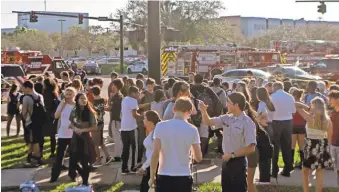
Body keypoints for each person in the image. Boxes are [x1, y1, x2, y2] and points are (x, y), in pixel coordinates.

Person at [200, 92, 256, 191]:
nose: (227, 104)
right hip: (226, 161)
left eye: (229, 102)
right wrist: (204, 111)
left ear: (236, 105)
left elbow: (251, 148)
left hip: (238, 162)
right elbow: (208, 122)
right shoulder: (226, 118)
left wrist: (232, 155)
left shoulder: (247, 122)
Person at [149, 98, 202, 192]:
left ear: (173, 109)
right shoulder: (192, 129)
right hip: (183, 175)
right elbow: (198, 157)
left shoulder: (160, 126)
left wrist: (152, 176)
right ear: (189, 112)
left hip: (163, 174)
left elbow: (155, 153)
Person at [295, 97, 333, 192]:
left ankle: (306, 190)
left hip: (310, 145)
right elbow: (329, 138)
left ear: (314, 106)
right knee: (319, 172)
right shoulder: (328, 120)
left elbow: (295, 104)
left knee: (305, 171)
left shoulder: (309, 117)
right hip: (322, 145)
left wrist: (308, 108)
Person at [68, 93, 97, 185]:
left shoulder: (90, 112)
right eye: (81, 98)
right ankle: (83, 174)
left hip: (85, 140)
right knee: (72, 161)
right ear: (77, 100)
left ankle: (85, 182)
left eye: (85, 99)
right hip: (75, 139)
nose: (84, 100)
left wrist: (83, 130)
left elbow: (94, 127)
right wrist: (75, 129)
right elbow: (71, 124)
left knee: (85, 163)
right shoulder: (74, 111)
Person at [50, 87, 76, 183]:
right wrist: (61, 105)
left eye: (70, 94)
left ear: (74, 95)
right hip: (62, 133)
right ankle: (54, 175)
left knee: (73, 155)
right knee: (59, 155)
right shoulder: (62, 104)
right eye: (67, 94)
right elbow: (56, 116)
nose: (68, 96)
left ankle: (72, 175)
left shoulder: (76, 105)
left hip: (73, 134)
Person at [271, 82, 296, 178]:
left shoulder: (272, 96)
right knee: (287, 146)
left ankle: (274, 170)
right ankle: (287, 169)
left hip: (276, 122)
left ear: (275, 87)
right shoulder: (290, 97)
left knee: (275, 146)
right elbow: (293, 112)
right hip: (288, 122)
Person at [137, 110, 161, 192]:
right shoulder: (153, 132)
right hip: (150, 165)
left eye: (144, 118)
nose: (143, 120)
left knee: (146, 188)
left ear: (150, 121)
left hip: (153, 165)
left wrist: (143, 167)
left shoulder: (155, 133)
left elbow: (154, 154)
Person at [120, 86, 143, 174]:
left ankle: (124, 168)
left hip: (123, 127)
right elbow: (134, 115)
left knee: (125, 148)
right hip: (132, 127)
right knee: (134, 148)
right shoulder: (133, 101)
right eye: (137, 93)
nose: (138, 94)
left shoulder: (124, 99)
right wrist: (143, 117)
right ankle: (133, 167)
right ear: (132, 93)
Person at [22, 80, 44, 166]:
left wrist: (24, 119)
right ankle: (28, 157)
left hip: (30, 122)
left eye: (23, 88)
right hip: (39, 122)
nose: (22, 90)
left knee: (34, 141)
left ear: (27, 88)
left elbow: (24, 112)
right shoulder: (40, 96)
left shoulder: (26, 98)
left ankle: (38, 158)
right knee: (32, 140)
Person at [91, 86, 114, 166]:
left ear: (93, 93)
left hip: (96, 124)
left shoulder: (93, 103)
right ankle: (108, 156)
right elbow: (103, 111)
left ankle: (98, 160)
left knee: (95, 144)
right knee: (101, 142)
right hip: (102, 122)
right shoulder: (102, 100)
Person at [41, 78, 59, 158]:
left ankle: (40, 153)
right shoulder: (54, 93)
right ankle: (52, 152)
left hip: (46, 116)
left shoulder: (46, 93)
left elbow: (46, 104)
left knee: (42, 136)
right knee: (52, 136)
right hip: (52, 116)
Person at [108, 79, 124, 162]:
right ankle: (119, 154)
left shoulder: (116, 97)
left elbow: (110, 108)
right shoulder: (120, 96)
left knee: (117, 138)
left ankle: (118, 155)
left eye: (113, 85)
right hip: (119, 119)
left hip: (115, 119)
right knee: (119, 138)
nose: (112, 86)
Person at [291, 89, 306, 169]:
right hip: (301, 126)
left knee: (292, 146)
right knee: (301, 146)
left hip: (293, 126)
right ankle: (302, 163)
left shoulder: (292, 104)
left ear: (294, 96)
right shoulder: (303, 104)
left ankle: (291, 163)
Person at [328, 90, 339, 187]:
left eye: (331, 99)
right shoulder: (332, 112)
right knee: (337, 170)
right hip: (333, 144)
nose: (329, 101)